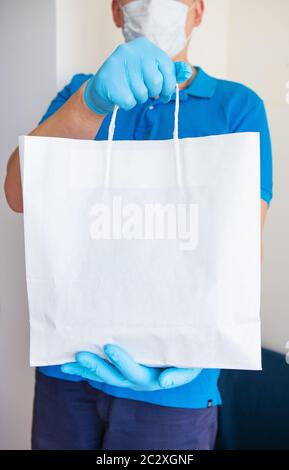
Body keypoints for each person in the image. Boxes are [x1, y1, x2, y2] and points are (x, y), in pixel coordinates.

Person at [4, 0, 273, 450]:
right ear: (116, 12)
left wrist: (197, 355)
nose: (153, 5)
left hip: (178, 391)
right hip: (70, 367)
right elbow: (18, 194)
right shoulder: (79, 92)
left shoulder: (238, 106)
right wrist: (89, 104)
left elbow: (241, 253)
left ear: (199, 12)